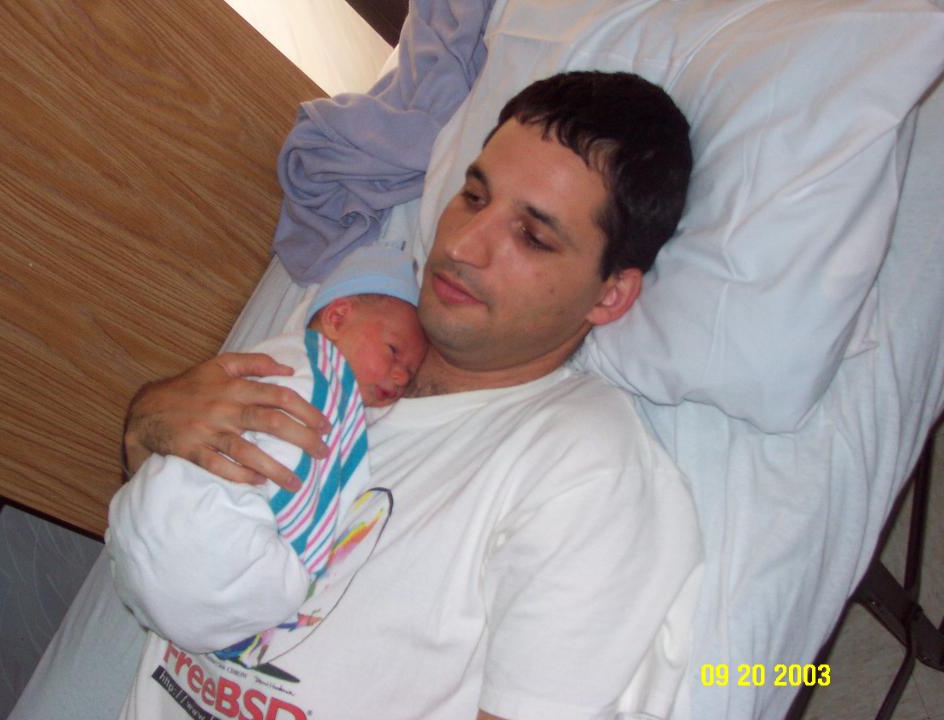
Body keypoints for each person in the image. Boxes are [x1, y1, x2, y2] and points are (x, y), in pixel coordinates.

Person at [111, 70, 702, 720]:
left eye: (533, 236)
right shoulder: (345, 333)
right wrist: (146, 426)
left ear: (610, 295)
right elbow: (173, 508)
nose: (462, 246)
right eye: (473, 197)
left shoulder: (587, 468)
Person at [108, 244, 427, 665]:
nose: (401, 376)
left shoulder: (291, 358)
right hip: (206, 537)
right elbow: (294, 472)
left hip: (131, 537)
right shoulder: (314, 374)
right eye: (393, 350)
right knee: (285, 585)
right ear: (336, 319)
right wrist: (301, 560)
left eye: (410, 375)